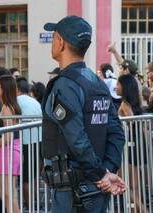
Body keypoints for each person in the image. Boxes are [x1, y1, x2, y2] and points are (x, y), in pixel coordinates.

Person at [41, 16, 126, 212]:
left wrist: (101, 174)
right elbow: (116, 133)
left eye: (54, 37)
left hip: (74, 191)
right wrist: (108, 170)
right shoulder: (96, 82)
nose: (52, 42)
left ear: (61, 42)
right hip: (97, 186)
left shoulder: (64, 84)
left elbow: (76, 137)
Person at [116, 74, 147, 212]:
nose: (116, 87)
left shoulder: (124, 105)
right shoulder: (133, 104)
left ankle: (145, 211)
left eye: (118, 84)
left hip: (130, 148)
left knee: (129, 186)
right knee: (135, 187)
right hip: (136, 147)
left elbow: (130, 125)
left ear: (125, 87)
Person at [0, 74, 21, 213]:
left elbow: (9, 136)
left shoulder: (7, 108)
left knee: (8, 193)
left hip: (8, 152)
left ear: (4, 89)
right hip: (7, 152)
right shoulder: (6, 106)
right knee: (4, 193)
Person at [16, 77, 42, 210]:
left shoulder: (16, 102)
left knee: (25, 178)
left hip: (23, 143)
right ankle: (35, 203)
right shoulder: (35, 102)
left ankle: (28, 205)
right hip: (37, 141)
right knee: (34, 176)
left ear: (17, 89)